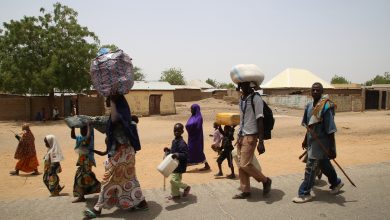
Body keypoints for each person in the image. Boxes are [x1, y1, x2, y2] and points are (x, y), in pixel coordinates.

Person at [83, 95, 147, 219]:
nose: (106, 101)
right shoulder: (122, 119)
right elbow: (104, 122)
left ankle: (98, 208)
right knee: (129, 179)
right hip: (126, 153)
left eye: (108, 99)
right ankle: (141, 202)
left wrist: (113, 99)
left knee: (108, 179)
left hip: (122, 153)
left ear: (115, 103)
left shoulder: (118, 118)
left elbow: (113, 118)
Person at [292, 82, 344, 203]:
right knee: (323, 164)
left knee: (311, 166)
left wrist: (332, 148)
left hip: (322, 142)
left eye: (317, 90)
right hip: (312, 141)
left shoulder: (325, 107)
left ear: (322, 92)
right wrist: (305, 140)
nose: (315, 92)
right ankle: (336, 183)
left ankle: (304, 193)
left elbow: (331, 129)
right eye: (313, 90)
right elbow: (308, 126)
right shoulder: (309, 106)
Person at [233, 81, 272, 199]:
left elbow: (260, 119)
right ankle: (246, 190)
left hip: (251, 135)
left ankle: (265, 181)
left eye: (243, 85)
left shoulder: (256, 99)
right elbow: (242, 118)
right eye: (240, 85)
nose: (241, 87)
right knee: (240, 165)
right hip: (241, 135)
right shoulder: (242, 98)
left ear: (250, 85)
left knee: (245, 164)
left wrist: (261, 141)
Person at [71, 123, 101, 203]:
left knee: (84, 178)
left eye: (83, 129)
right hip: (81, 162)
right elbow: (73, 136)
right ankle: (82, 195)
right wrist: (73, 127)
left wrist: (88, 126)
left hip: (87, 162)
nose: (81, 131)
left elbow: (87, 138)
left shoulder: (89, 138)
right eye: (81, 129)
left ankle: (101, 188)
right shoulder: (80, 138)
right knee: (81, 178)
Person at [163, 123, 191, 200]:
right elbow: (172, 152)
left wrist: (177, 154)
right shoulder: (174, 141)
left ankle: (186, 187)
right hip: (174, 165)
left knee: (173, 180)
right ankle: (176, 195)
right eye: (175, 131)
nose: (176, 132)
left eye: (178, 131)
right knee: (176, 180)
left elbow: (185, 155)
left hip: (179, 165)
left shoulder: (182, 143)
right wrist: (168, 151)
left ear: (182, 132)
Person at [185, 104, 210, 171]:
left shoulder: (199, 118)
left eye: (192, 109)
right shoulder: (192, 117)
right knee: (191, 150)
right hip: (191, 138)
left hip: (196, 138)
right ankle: (206, 165)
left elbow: (198, 128)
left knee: (196, 151)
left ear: (195, 109)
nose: (191, 111)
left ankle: (185, 166)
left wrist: (190, 129)